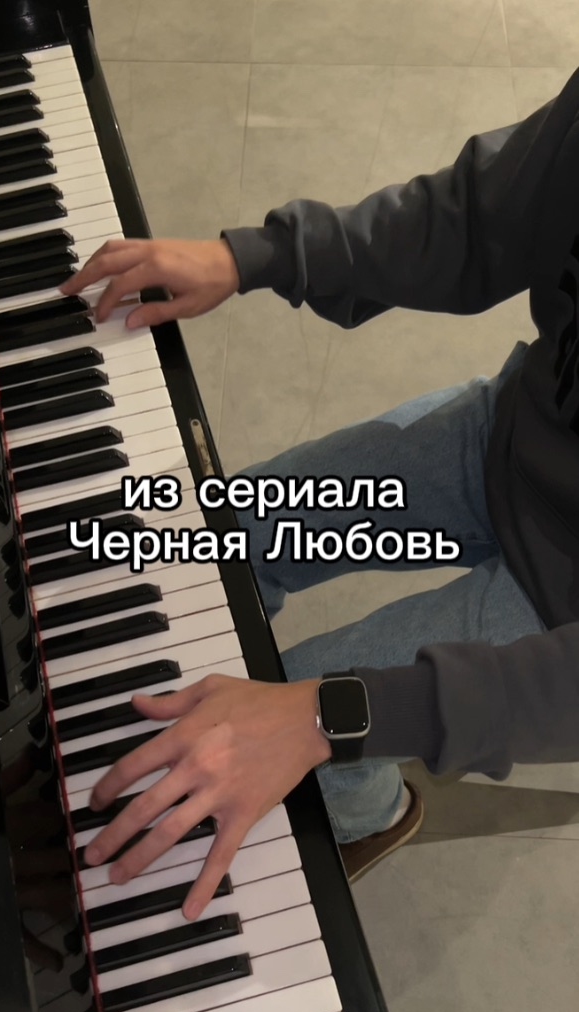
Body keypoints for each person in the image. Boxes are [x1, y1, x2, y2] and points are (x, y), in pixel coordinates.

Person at [61, 66, 579, 922]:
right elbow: (480, 218)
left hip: (561, 607)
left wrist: (322, 714)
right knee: (207, 536)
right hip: (512, 438)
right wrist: (254, 256)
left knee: (307, 703)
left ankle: (366, 816)